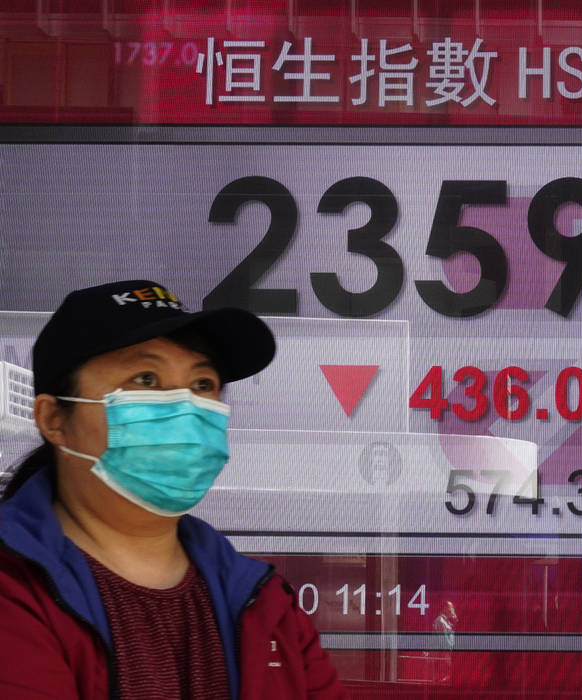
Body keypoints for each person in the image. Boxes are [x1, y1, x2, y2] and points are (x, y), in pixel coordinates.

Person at [0, 280, 350, 699]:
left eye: (203, 384)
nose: (184, 406)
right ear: (53, 418)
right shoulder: (14, 588)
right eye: (145, 379)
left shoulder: (266, 602)